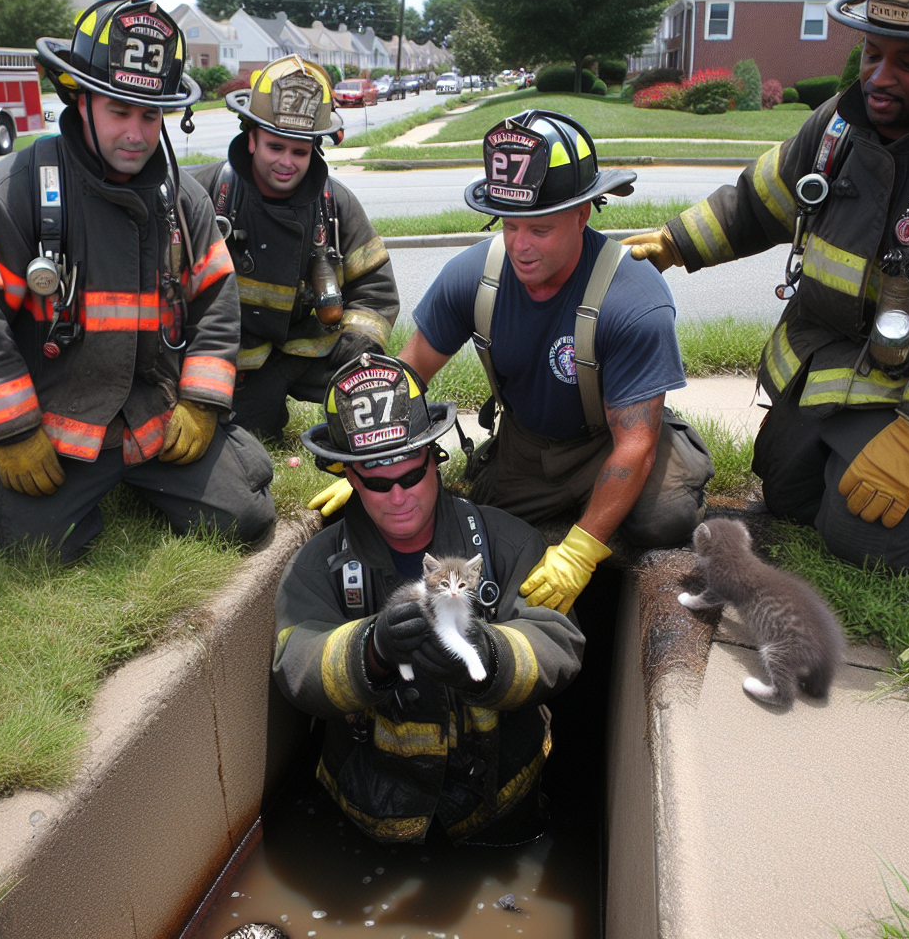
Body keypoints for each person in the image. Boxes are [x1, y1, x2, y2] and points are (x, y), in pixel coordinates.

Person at [311, 110, 713, 612]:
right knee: (472, 529)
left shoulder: (634, 298)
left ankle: (667, 485)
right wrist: (374, 468)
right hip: (527, 447)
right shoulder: (474, 277)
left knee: (663, 518)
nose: (520, 246)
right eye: (510, 225)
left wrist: (581, 552)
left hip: (611, 438)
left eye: (540, 230)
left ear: (583, 214)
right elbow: (405, 379)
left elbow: (635, 443)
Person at [625, 0, 909, 573]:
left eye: (908, 63)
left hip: (900, 390)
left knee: (865, 534)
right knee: (785, 496)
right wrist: (676, 242)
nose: (880, 77)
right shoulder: (836, 126)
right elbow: (758, 203)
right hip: (821, 362)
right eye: (873, 54)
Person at [0, 0, 276, 562]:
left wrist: (200, 402)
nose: (136, 132)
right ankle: (47, 484)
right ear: (79, 99)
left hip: (157, 419)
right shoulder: (13, 192)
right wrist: (15, 431)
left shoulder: (184, 200)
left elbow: (218, 301)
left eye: (150, 115)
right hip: (62, 429)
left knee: (246, 513)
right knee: (19, 537)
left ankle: (177, 472)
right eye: (119, 110)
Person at [273, 354, 584, 846]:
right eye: (376, 482)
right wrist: (371, 650)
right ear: (351, 479)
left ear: (435, 461)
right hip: (373, 815)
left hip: (499, 809)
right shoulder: (319, 566)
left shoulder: (507, 543)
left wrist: (485, 653)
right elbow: (296, 663)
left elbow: (559, 643)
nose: (397, 496)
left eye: (410, 475)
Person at [190, 56, 399, 441]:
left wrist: (358, 351)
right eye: (274, 147)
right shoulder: (205, 195)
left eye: (300, 152)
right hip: (236, 360)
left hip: (315, 352)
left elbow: (377, 293)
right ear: (250, 138)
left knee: (383, 391)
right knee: (252, 435)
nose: (286, 163)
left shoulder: (336, 205)